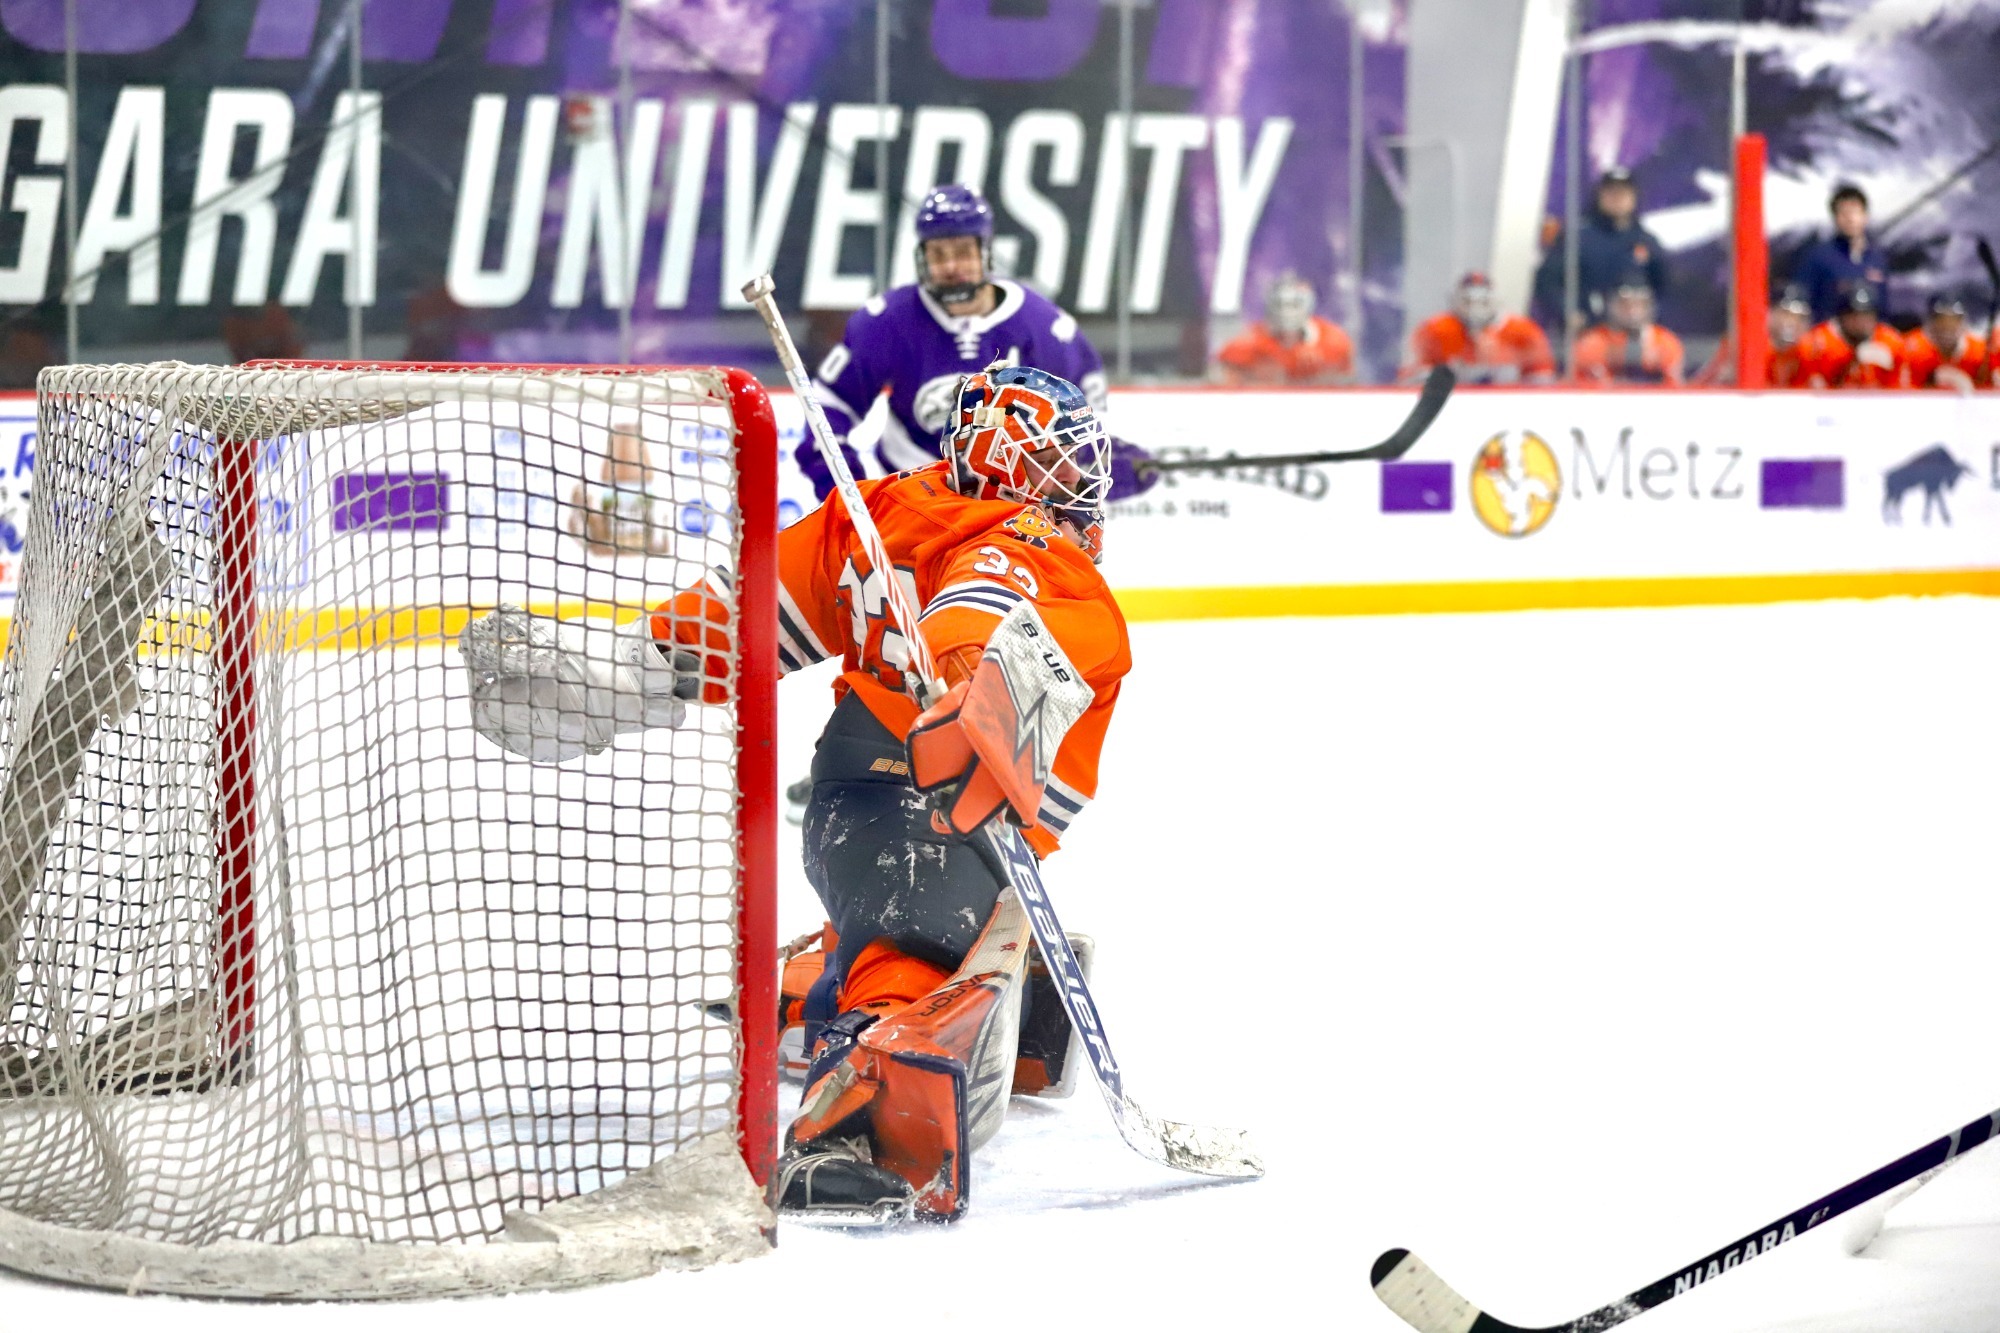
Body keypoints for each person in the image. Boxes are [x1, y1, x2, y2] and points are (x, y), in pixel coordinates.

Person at [800, 184, 1108, 502]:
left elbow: (1090, 425)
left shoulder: (1043, 327)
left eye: (962, 252)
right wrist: (851, 499)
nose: (950, 266)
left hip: (1012, 504)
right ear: (923, 257)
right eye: (938, 254)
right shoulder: (886, 322)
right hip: (914, 503)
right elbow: (828, 411)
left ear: (985, 251)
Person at [1533, 167, 1669, 333]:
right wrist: (1568, 312)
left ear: (1634, 198)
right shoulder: (1578, 237)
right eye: (1611, 193)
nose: (1617, 199)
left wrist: (1647, 316)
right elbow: (1546, 280)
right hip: (1585, 331)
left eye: (1623, 194)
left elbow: (1663, 286)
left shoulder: (1646, 241)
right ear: (1599, 196)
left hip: (1631, 334)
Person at [1402, 271, 1555, 384]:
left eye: (1483, 302)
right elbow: (1411, 378)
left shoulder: (1524, 331)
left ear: (1495, 301)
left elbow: (1543, 379)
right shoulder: (1435, 329)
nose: (1475, 309)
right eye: (1468, 302)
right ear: (1456, 301)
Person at [1215, 271, 1354, 385]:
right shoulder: (1245, 343)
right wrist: (1255, 380)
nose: (1287, 312)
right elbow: (1224, 387)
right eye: (1280, 304)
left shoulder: (1333, 340)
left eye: (1294, 304)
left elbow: (1347, 385)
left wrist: (1317, 376)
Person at [1792, 184, 1890, 324]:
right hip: (1828, 339)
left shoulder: (1878, 259)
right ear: (1835, 218)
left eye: (1855, 212)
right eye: (1844, 213)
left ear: (1865, 216)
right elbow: (1801, 302)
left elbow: (1883, 309)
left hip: (1867, 339)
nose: (1850, 219)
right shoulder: (1818, 257)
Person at [1570, 275, 1685, 385]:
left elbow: (1674, 391)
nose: (1633, 312)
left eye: (1640, 304)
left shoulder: (1666, 342)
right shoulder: (1591, 343)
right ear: (1610, 305)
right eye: (1625, 304)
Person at [1796, 286, 1905, 388]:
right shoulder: (1817, 342)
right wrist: (1850, 362)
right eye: (1854, 315)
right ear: (1841, 316)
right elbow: (1811, 392)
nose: (1860, 322)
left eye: (1867, 315)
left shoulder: (1891, 342)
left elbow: (1903, 392)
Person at [1901, 294, 1990, 391]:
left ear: (1964, 323)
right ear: (1929, 323)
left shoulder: (1980, 351)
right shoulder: (1912, 349)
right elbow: (1902, 394)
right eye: (1940, 320)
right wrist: (1932, 379)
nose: (1947, 327)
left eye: (1955, 320)